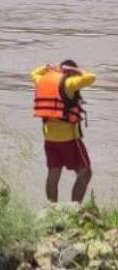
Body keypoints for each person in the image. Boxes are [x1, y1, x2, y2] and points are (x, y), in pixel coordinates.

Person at [32, 60, 95, 203]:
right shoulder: (69, 84)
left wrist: (47, 67)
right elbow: (91, 77)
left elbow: (33, 73)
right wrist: (76, 71)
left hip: (49, 140)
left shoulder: (41, 80)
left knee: (53, 174)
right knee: (85, 172)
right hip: (69, 140)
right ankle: (75, 208)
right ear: (70, 73)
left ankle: (52, 209)